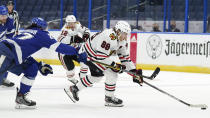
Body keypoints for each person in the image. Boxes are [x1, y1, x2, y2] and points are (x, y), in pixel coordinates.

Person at [0, 17, 87, 109]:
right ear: (43, 27)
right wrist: (77, 50)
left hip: (11, 55)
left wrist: (38, 64)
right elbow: (60, 47)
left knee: (31, 68)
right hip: (5, 53)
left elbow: (21, 52)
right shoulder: (42, 34)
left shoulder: (27, 31)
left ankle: (21, 97)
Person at [64, 21, 143, 107]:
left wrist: (133, 71)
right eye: (124, 33)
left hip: (94, 55)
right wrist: (114, 66)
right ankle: (109, 98)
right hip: (87, 54)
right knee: (112, 73)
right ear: (118, 31)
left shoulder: (121, 40)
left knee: (97, 77)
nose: (125, 36)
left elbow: (124, 58)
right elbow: (101, 57)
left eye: (127, 34)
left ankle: (74, 89)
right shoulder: (108, 36)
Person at [57, 15, 90, 84]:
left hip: (74, 49)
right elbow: (59, 39)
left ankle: (82, 78)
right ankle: (71, 78)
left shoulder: (77, 24)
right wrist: (72, 39)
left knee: (84, 62)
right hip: (64, 53)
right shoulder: (65, 29)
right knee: (70, 68)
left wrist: (86, 35)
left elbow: (86, 30)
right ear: (66, 23)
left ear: (75, 22)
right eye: (69, 23)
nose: (71, 25)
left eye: (72, 23)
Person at [0, 5, 15, 87]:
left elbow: (10, 35)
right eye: (2, 16)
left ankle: (3, 79)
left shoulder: (9, 21)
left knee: (8, 58)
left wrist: (9, 45)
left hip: (1, 44)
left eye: (5, 15)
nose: (4, 18)